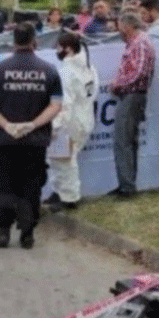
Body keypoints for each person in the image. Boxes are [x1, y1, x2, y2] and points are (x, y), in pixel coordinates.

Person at [0, 25, 64, 249]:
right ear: (34, 41)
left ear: (13, 41)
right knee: (31, 184)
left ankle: (3, 231)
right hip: (34, 140)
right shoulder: (49, 70)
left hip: (4, 139)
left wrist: (6, 125)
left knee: (5, 183)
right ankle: (27, 234)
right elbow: (56, 105)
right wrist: (33, 124)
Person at [45, 31, 100, 210]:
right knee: (60, 159)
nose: (56, 50)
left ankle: (69, 198)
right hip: (84, 119)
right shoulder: (89, 66)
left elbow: (64, 105)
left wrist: (55, 126)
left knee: (63, 161)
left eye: (59, 47)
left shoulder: (66, 73)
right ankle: (59, 192)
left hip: (69, 124)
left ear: (67, 49)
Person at [107, 12, 155, 199]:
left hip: (132, 95)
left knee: (123, 141)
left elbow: (139, 72)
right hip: (133, 95)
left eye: (119, 25)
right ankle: (127, 183)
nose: (118, 29)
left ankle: (126, 187)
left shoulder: (139, 43)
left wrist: (118, 84)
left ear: (127, 26)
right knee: (128, 141)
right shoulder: (139, 42)